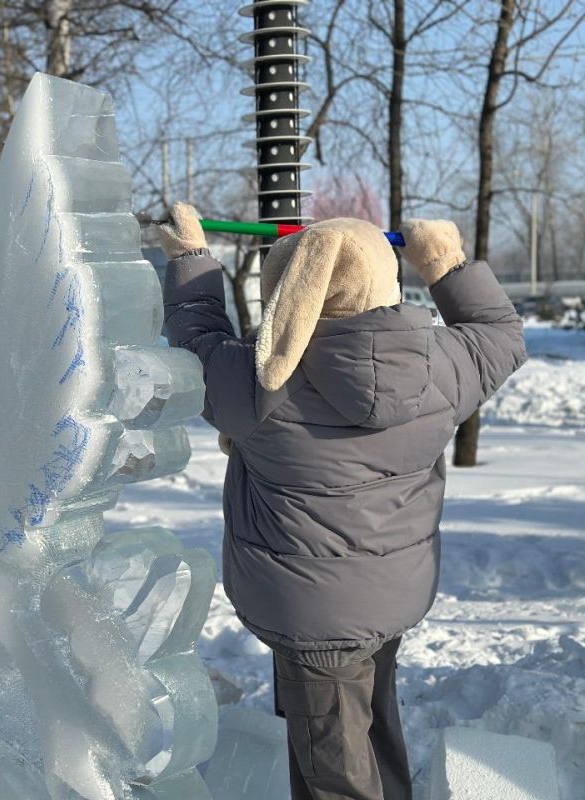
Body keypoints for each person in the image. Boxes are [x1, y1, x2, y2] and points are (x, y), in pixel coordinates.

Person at [158, 206, 526, 800]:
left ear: (289, 294)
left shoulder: (260, 382)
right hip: (390, 595)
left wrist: (192, 260)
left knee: (333, 769)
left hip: (309, 615)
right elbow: (502, 336)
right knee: (369, 729)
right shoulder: (439, 368)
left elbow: (196, 342)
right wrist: (445, 266)